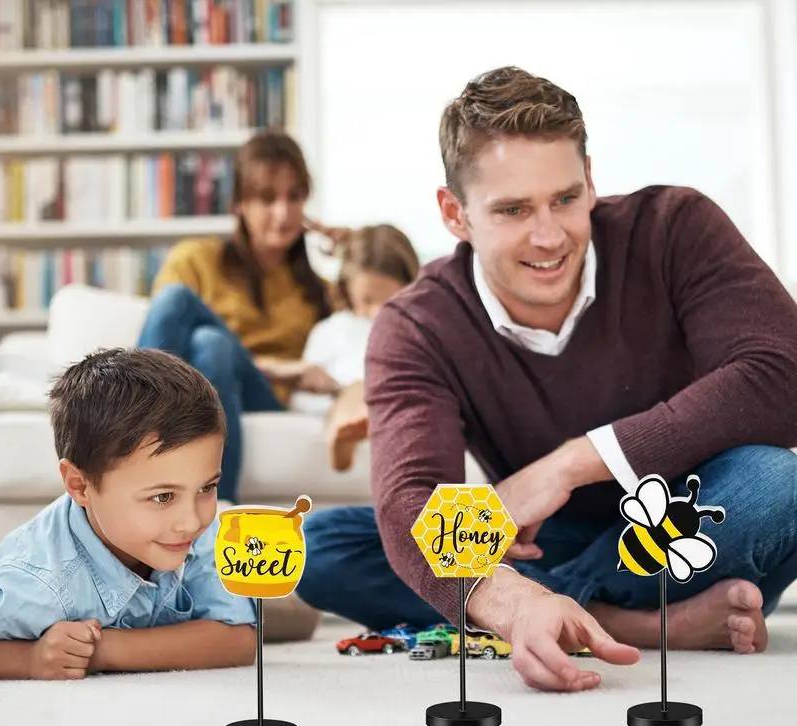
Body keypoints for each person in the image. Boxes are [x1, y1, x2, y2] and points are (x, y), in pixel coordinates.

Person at [296, 66, 797, 693]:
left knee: (777, 480)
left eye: (565, 198)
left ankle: (585, 610)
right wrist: (507, 597)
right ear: (455, 214)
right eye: (512, 210)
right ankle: (626, 619)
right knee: (319, 544)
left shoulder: (675, 227)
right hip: (544, 546)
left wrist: (567, 465)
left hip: (686, 520)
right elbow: (412, 498)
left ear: (590, 178)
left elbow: (782, 376)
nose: (549, 236)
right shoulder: (417, 323)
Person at [0, 348, 259, 680]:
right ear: (80, 486)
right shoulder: (34, 581)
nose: (192, 521)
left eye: (206, 488)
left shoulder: (203, 529)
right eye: (163, 496)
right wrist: (30, 658)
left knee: (279, 606)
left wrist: (103, 649)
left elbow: (239, 641)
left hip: (199, 583)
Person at [136, 129, 346, 506]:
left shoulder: (320, 291)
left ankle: (135, 462)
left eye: (294, 197)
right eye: (267, 198)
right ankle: (134, 432)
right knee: (200, 333)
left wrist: (357, 251)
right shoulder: (195, 260)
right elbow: (166, 338)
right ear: (239, 204)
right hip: (191, 393)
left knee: (215, 346)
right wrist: (283, 367)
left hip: (259, 397)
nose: (282, 213)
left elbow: (374, 332)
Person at [289, 224, 420, 471]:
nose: (379, 311)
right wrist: (331, 392)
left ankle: (361, 421)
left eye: (390, 299)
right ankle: (345, 435)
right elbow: (300, 399)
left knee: (373, 386)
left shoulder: (419, 327)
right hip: (348, 395)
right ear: (347, 291)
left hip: (400, 395)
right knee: (356, 390)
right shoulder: (331, 330)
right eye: (367, 300)